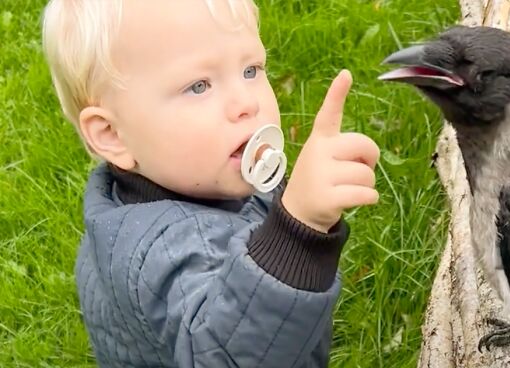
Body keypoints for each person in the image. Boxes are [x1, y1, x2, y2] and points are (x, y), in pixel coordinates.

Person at [41, 0, 380, 366]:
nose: (246, 102)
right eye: (199, 86)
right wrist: (299, 227)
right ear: (113, 135)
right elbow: (236, 356)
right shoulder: (169, 255)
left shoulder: (165, 185)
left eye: (251, 69)